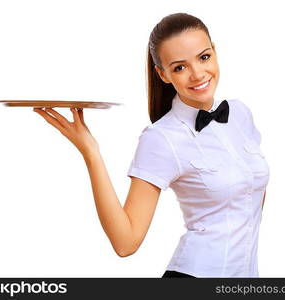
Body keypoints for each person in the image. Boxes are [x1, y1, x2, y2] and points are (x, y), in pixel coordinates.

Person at [33, 12, 270, 278]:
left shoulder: (240, 114)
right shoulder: (161, 138)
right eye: (180, 67)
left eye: (204, 57)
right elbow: (126, 243)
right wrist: (91, 151)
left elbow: (251, 196)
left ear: (215, 52)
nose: (197, 74)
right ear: (163, 74)